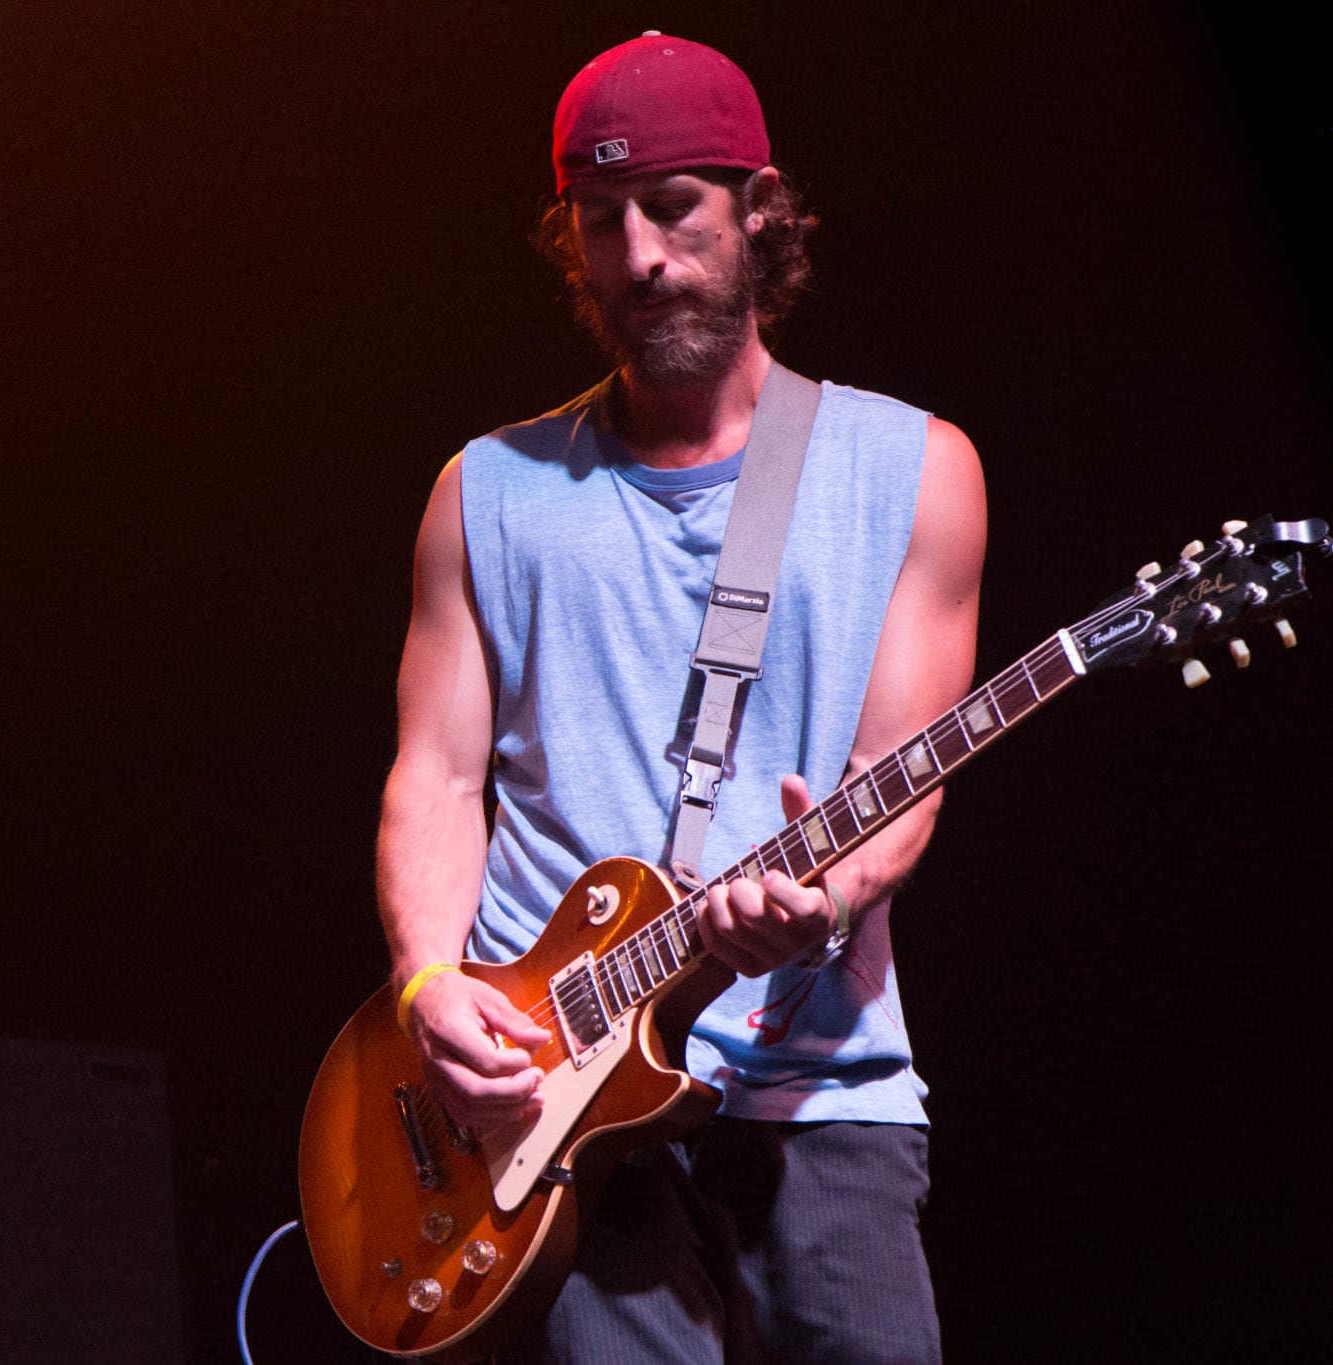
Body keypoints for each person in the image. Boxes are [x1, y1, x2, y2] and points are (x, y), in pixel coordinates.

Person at [376, 31, 985, 1364]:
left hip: (819, 1088)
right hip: (556, 1099)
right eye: (602, 220)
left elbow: (900, 773)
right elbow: (436, 776)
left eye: (671, 207)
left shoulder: (914, 467)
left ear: (760, 209)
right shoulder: (486, 492)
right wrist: (427, 984)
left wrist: (829, 897)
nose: (640, 255)